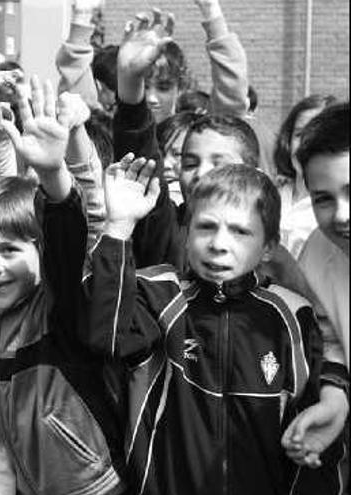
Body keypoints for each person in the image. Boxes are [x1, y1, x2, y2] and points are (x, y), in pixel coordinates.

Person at [83, 159, 348, 495]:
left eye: (240, 231)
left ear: (269, 246)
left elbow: (314, 432)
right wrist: (118, 227)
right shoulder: (159, 294)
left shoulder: (293, 314)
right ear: (185, 231)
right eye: (206, 227)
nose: (219, 244)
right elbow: (105, 337)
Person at [0, 76, 125, 495]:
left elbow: (84, 226)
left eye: (10, 251)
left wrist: (55, 171)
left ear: (42, 249)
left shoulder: (58, 305)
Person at [287, 103, 350, 491]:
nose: (341, 215)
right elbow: (330, 342)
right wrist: (336, 400)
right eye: (323, 198)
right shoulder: (316, 251)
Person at [272, 94, 338, 257]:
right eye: (299, 134)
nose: (305, 146)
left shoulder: (340, 207)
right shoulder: (271, 192)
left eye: (318, 136)